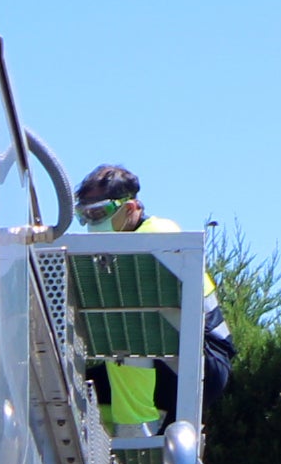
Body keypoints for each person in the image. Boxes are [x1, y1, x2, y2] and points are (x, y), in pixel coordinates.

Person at [74, 163, 234, 428]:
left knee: (126, 330)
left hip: (200, 362)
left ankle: (136, 430)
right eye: (85, 216)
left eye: (99, 213)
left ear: (131, 208)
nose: (93, 224)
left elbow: (133, 311)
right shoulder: (114, 252)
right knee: (75, 382)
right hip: (169, 359)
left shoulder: (158, 233)